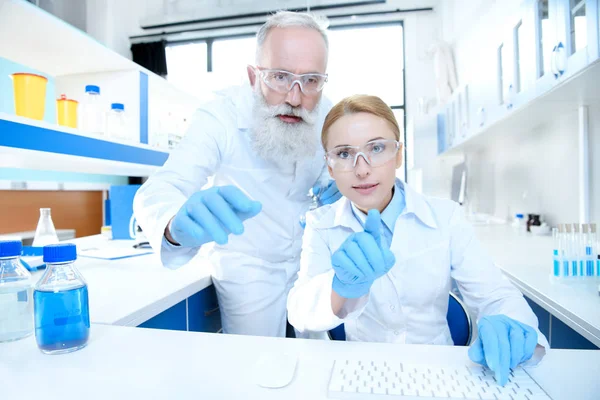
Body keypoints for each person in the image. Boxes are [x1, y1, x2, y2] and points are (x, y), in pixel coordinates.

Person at [287, 94, 549, 386]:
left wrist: (514, 328)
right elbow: (299, 311)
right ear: (330, 166)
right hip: (362, 375)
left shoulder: (445, 217)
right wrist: (340, 288)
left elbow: (495, 295)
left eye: (376, 148)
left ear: (399, 155)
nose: (362, 169)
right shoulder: (321, 225)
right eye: (345, 154)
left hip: (440, 375)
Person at [133, 11, 340, 338]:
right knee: (255, 367)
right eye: (280, 76)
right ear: (253, 76)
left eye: (311, 80)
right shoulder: (221, 116)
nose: (296, 97)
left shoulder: (326, 111)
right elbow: (161, 188)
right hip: (248, 266)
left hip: (308, 261)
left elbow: (328, 177)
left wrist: (338, 189)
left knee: (315, 358)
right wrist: (174, 226)